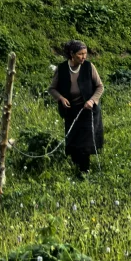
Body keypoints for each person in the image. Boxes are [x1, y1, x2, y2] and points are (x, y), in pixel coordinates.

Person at [48, 38, 104, 177]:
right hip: (71, 111)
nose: (84, 57)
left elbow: (100, 87)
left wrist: (92, 101)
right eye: (80, 54)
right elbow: (52, 89)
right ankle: (76, 168)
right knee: (73, 142)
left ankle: (84, 172)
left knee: (85, 143)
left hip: (87, 110)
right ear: (72, 54)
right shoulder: (61, 69)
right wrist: (61, 98)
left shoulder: (89, 67)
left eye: (85, 53)